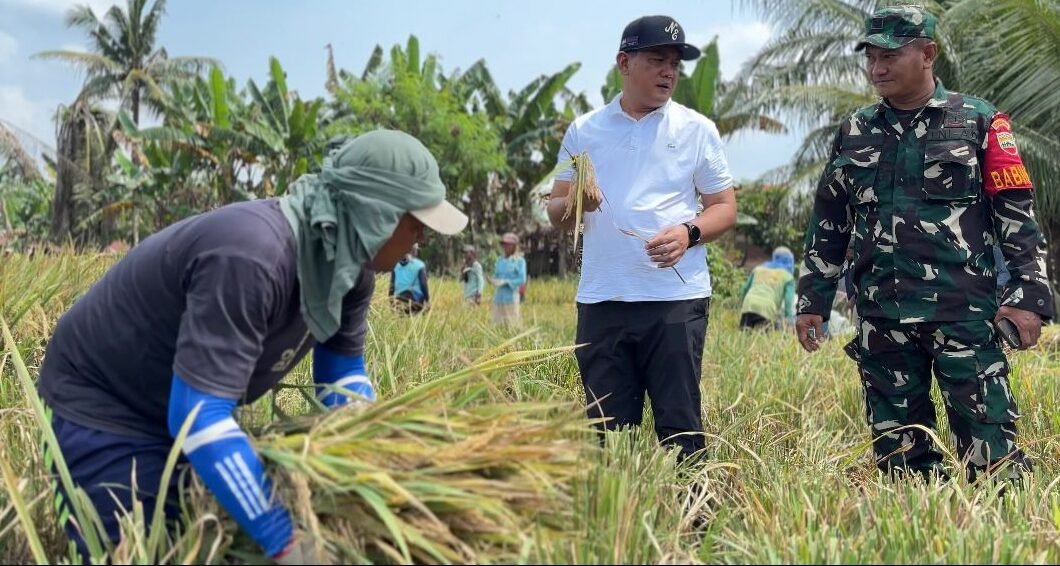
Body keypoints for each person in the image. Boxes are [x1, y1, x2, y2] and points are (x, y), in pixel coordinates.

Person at [36, 130, 468, 564]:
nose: (420, 240)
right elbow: (198, 417)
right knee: (141, 553)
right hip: (103, 409)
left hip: (179, 409)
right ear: (377, 214)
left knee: (208, 546)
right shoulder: (252, 256)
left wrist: (377, 453)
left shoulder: (350, 272)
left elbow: (342, 377)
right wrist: (288, 542)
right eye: (416, 224)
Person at [794, 6, 1053, 484]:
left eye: (890, 55)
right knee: (901, 463)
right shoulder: (854, 132)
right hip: (882, 317)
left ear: (928, 53)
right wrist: (813, 299)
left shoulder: (980, 123)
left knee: (992, 456)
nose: (877, 68)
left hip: (964, 315)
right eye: (871, 57)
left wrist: (1027, 297)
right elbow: (829, 223)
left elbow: (1017, 217)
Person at [546, 15, 737, 462]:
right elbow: (555, 209)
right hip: (602, 298)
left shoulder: (696, 129)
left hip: (675, 299)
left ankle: (695, 526)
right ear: (624, 63)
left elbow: (725, 208)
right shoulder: (585, 130)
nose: (669, 72)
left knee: (680, 424)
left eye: (674, 64)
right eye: (657, 61)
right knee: (607, 432)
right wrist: (577, 203)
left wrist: (688, 233)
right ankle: (620, 521)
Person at [739, 246, 796, 331]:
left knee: (744, 335)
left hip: (748, 306)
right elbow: (788, 301)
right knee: (761, 339)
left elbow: (744, 290)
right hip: (767, 309)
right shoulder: (788, 277)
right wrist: (789, 320)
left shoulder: (758, 269)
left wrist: (742, 305)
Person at [490, 232, 527, 326]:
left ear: (514, 246)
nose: (505, 247)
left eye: (508, 245)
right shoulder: (500, 260)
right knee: (497, 323)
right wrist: (492, 280)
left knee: (512, 323)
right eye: (504, 244)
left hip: (511, 297)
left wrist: (507, 282)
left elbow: (522, 279)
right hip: (498, 297)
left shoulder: (519, 261)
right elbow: (497, 275)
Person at [388, 242, 430, 314]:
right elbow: (423, 284)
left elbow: (392, 286)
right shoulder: (419, 265)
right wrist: (427, 300)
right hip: (415, 302)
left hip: (399, 301)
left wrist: (391, 303)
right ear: (414, 251)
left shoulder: (395, 265)